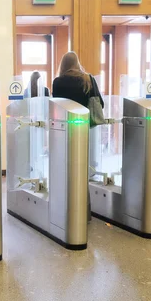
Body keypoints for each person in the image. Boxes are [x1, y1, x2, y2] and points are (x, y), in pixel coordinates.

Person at [52, 51, 104, 223]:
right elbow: (100, 104)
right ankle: (84, 211)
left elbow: (56, 106)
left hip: (64, 131)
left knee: (64, 168)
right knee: (81, 169)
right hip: (83, 130)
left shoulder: (58, 82)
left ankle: (64, 209)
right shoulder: (88, 79)